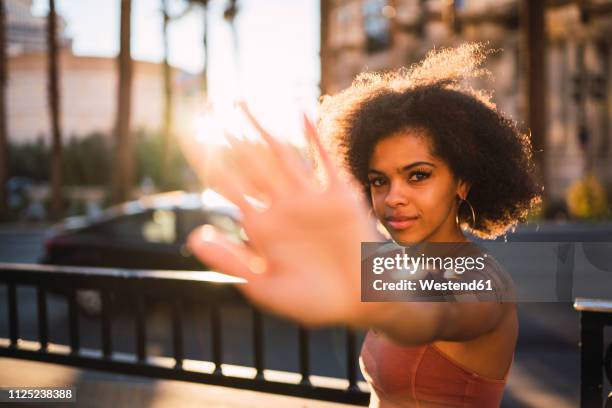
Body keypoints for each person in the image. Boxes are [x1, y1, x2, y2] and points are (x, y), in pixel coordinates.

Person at [183, 43, 541, 407]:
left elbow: (437, 311)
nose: (392, 197)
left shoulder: (484, 279)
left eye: (418, 175)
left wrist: (379, 304)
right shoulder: (392, 263)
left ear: (461, 183)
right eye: (379, 181)